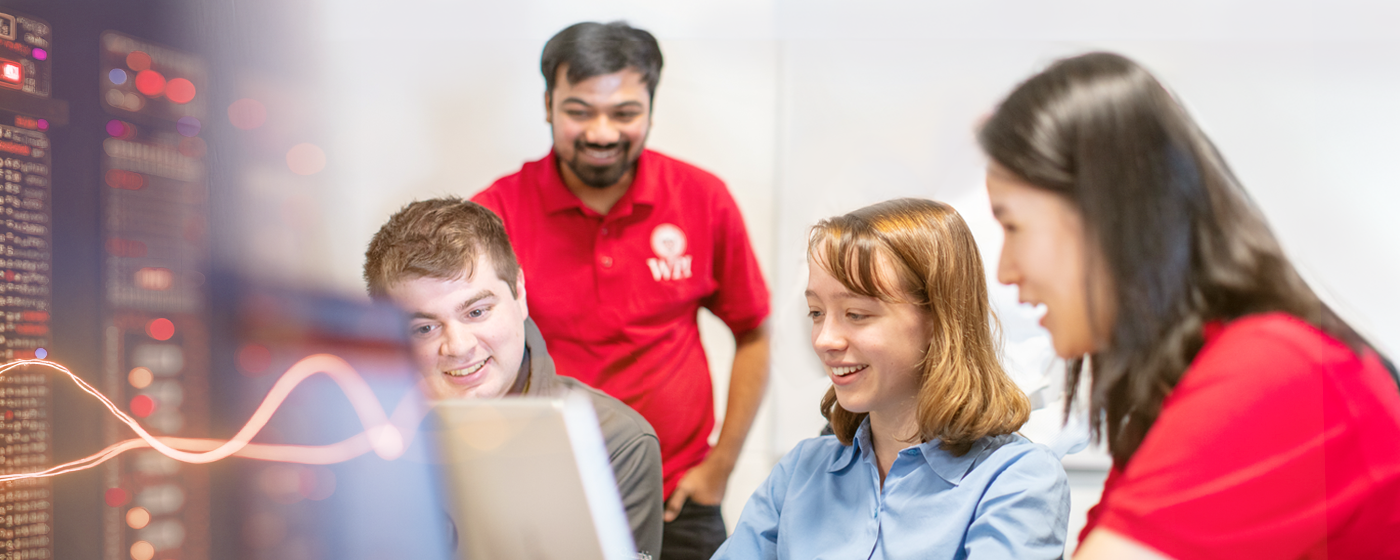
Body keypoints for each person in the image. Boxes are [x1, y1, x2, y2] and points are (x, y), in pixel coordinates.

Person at [980, 52, 1400, 560]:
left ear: (1106, 215)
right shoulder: (1180, 388)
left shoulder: (1273, 371)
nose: (1005, 270)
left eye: (1014, 227)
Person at [471, 21, 771, 559]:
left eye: (625, 113)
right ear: (547, 104)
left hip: (679, 496)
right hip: (547, 488)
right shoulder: (495, 214)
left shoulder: (703, 199)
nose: (602, 132)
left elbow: (754, 332)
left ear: (652, 108)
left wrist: (720, 466)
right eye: (579, 111)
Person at [713, 198, 1070, 559]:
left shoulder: (1017, 480)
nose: (824, 340)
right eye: (816, 313)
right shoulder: (800, 472)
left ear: (938, 319)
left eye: (856, 314)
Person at [363, 197, 664, 559]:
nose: (457, 346)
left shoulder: (613, 443)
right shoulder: (366, 439)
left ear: (519, 293)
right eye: (425, 328)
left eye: (476, 311)